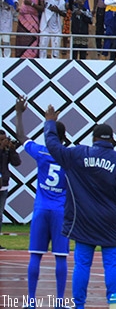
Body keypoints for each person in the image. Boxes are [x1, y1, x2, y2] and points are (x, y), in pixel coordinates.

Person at [43, 104, 116, 309]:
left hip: (83, 220)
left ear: (94, 139)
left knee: (82, 265)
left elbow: (53, 146)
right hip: (110, 221)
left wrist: (50, 122)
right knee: (112, 265)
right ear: (111, 141)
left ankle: (79, 305)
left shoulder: (78, 154)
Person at [14, 96, 68, 304]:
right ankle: (60, 301)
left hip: (41, 208)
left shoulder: (41, 151)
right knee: (61, 256)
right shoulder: (67, 155)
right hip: (60, 211)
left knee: (35, 255)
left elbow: (20, 136)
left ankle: (31, 300)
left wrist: (19, 112)